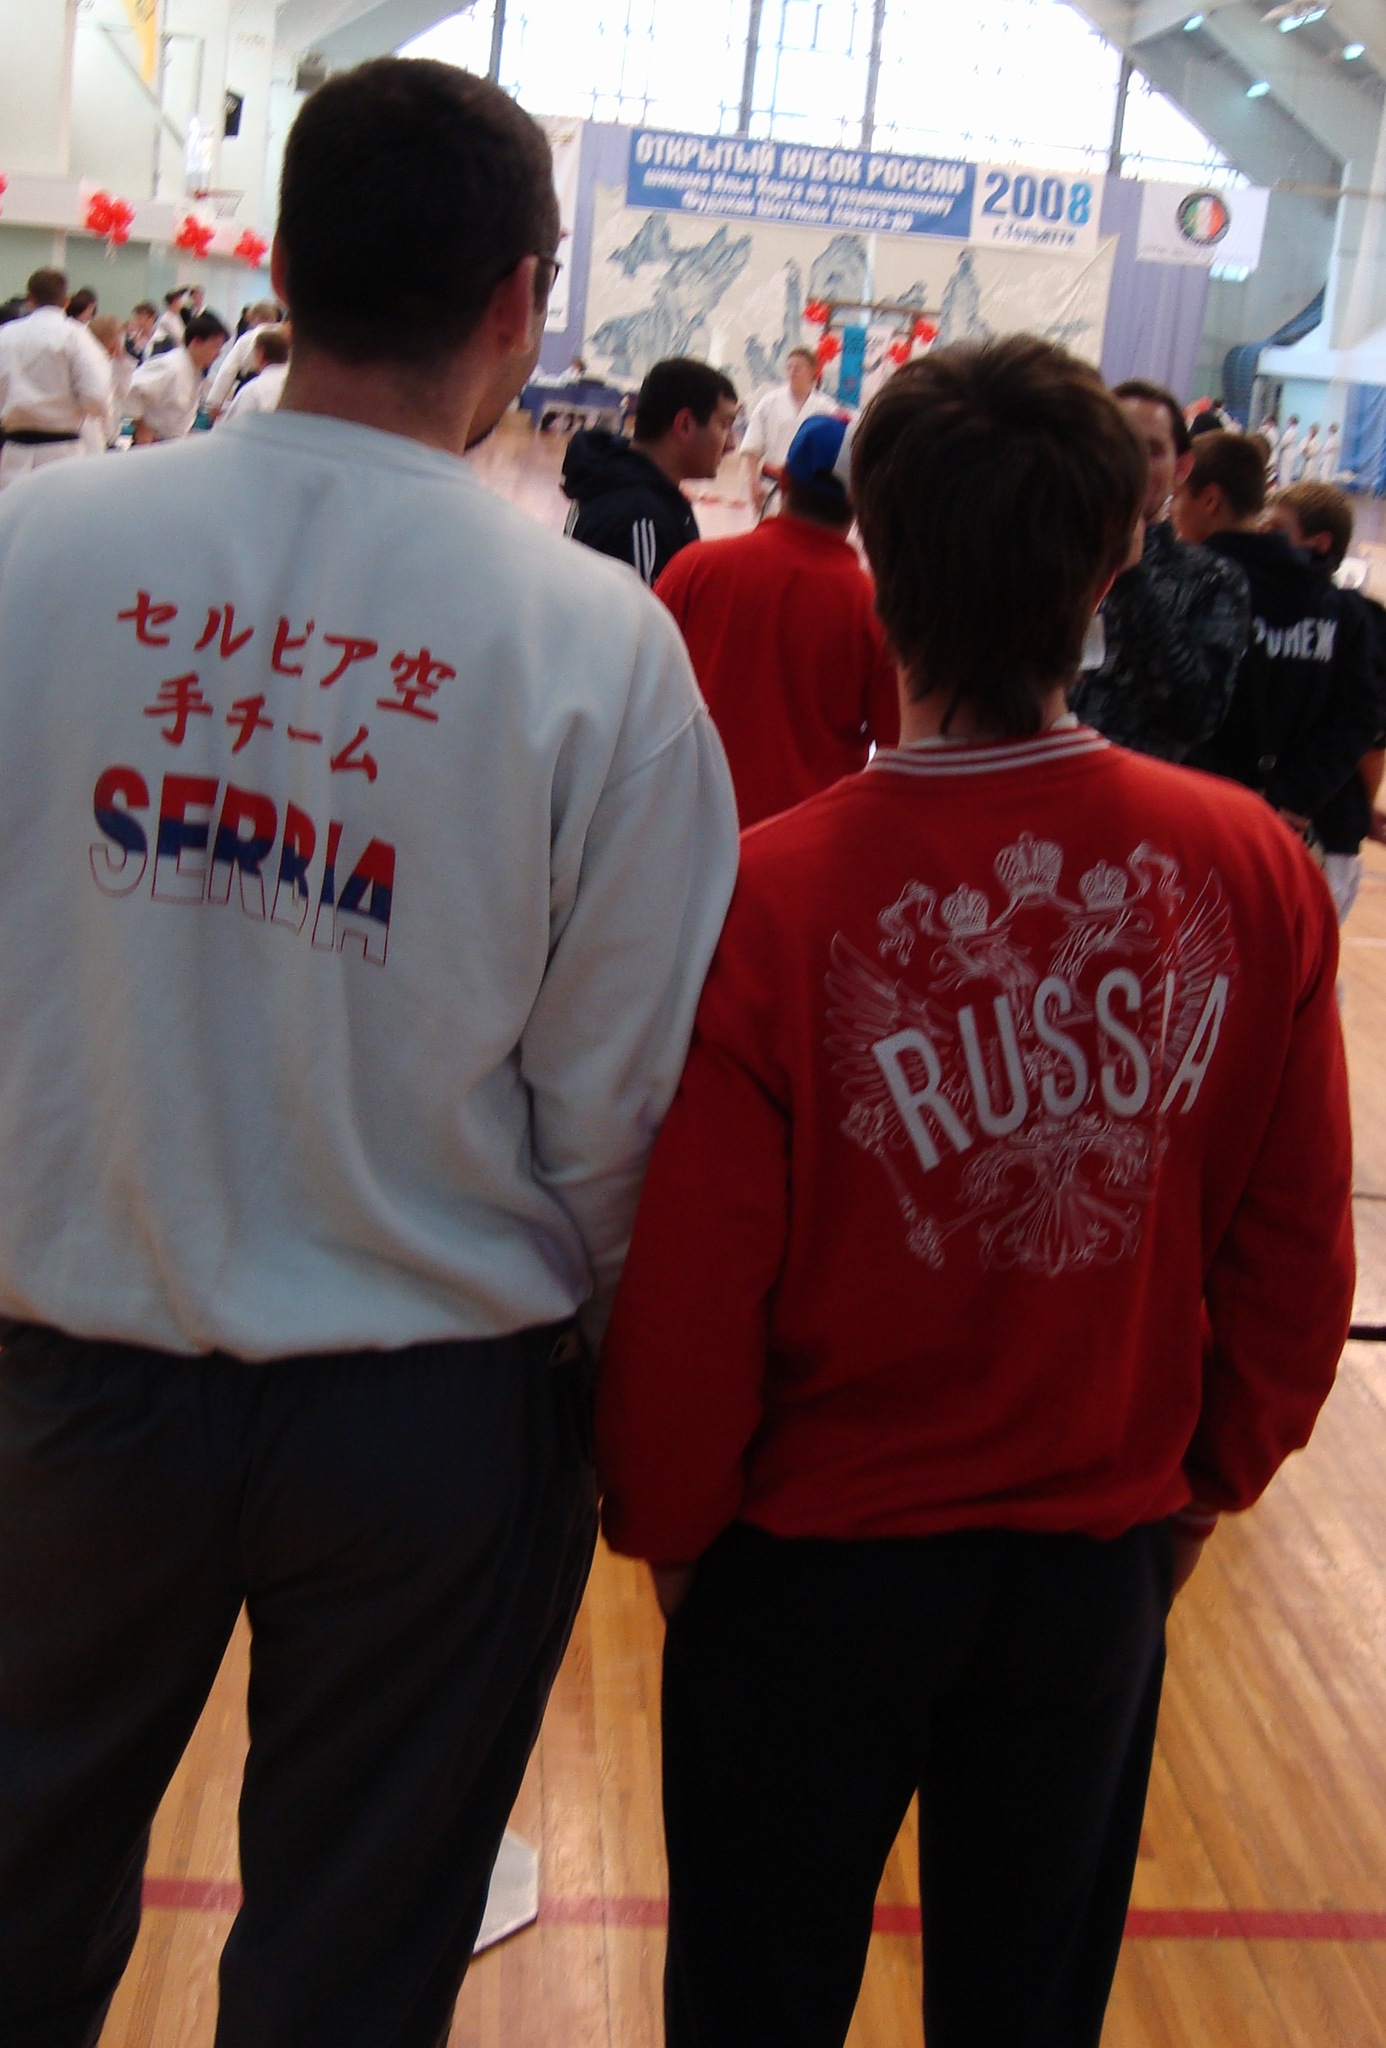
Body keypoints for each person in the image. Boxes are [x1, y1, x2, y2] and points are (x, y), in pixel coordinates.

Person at [0, 52, 737, 2048]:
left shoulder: (35, 560)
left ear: (279, 263)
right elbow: (616, 1098)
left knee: (7, 1907)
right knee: (350, 1956)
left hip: (91, 1383)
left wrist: (34, 1199)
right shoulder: (596, 643)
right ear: (520, 299)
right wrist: (580, 1355)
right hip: (432, 1416)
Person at [595, 335, 1352, 2048]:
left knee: (753, 2005)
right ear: (1111, 566)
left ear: (875, 560)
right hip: (1088, 1555)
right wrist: (1200, 1492)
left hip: (809, 1563)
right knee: (1023, 2011)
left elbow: (695, 1282)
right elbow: (1296, 1255)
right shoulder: (1248, 865)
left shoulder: (766, 896)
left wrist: (673, 1530)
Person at [655, 413, 897, 827]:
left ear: (783, 480)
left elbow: (637, 694)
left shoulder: (694, 569)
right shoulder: (876, 610)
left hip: (684, 830)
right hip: (805, 841)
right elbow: (896, 750)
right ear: (861, 503)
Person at [1175, 432, 1378, 849]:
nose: (1172, 512)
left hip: (1199, 808)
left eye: (1178, 497)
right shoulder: (1335, 600)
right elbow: (1360, 715)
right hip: (1284, 826)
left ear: (1209, 501)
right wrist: (1294, 798)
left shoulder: (1193, 585)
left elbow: (1180, 704)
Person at [1069, 378, 1248, 761]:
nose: (1129, 463)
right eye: (1115, 444)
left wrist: (1130, 579)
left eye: (1150, 450)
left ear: (1181, 467)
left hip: (1134, 784)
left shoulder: (1212, 578)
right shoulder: (1046, 558)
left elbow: (1196, 715)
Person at [1264, 479, 1386, 921]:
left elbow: (1371, 736)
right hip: (1274, 816)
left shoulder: (1359, 619)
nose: (1262, 538)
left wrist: (1355, 808)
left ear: (1319, 543)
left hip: (1324, 833)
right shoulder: (1258, 603)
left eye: (1275, 530)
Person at [561, 356, 737, 586]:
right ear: (684, 425)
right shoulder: (636, 519)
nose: (731, 444)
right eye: (724, 425)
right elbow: (641, 610)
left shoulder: (613, 481)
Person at [0, 269, 114, 490]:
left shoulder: (4, 335)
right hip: (63, 454)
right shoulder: (76, 335)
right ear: (66, 301)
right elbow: (97, 397)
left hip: (15, 452)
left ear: (29, 298)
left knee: (18, 511)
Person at [738, 345, 841, 512]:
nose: (792, 372)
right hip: (771, 484)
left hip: (809, 491)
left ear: (813, 371)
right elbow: (752, 447)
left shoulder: (828, 409)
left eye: (798, 368)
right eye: (789, 367)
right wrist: (753, 483)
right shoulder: (769, 402)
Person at [124, 308, 230, 442]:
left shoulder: (195, 370)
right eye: (215, 346)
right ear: (196, 342)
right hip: (154, 441)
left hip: (174, 440)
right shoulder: (171, 366)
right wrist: (142, 428)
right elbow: (132, 388)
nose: (219, 353)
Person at [81, 314, 133, 453]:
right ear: (114, 344)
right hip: (96, 441)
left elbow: (124, 390)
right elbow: (106, 412)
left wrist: (122, 362)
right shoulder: (99, 368)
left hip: (98, 439)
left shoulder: (108, 364)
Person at [217, 324, 288, 421]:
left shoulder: (254, 389)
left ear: (260, 353)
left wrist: (215, 403)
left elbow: (238, 424)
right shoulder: (298, 386)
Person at [149, 287, 191, 354]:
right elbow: (176, 338)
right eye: (179, 301)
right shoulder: (166, 319)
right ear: (174, 302)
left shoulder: (177, 316)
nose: (181, 303)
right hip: (170, 351)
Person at [123, 300, 159, 365]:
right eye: (137, 316)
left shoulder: (162, 339)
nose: (138, 320)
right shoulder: (130, 339)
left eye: (141, 317)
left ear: (152, 318)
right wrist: (133, 344)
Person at [1275, 414, 1301, 485]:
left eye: (1289, 420)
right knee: (1285, 471)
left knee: (1286, 471)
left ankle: (1284, 485)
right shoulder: (1293, 430)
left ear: (1292, 421)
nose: (1288, 421)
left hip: (1288, 452)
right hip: (1288, 451)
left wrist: (1280, 444)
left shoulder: (1292, 430)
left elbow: (1285, 441)